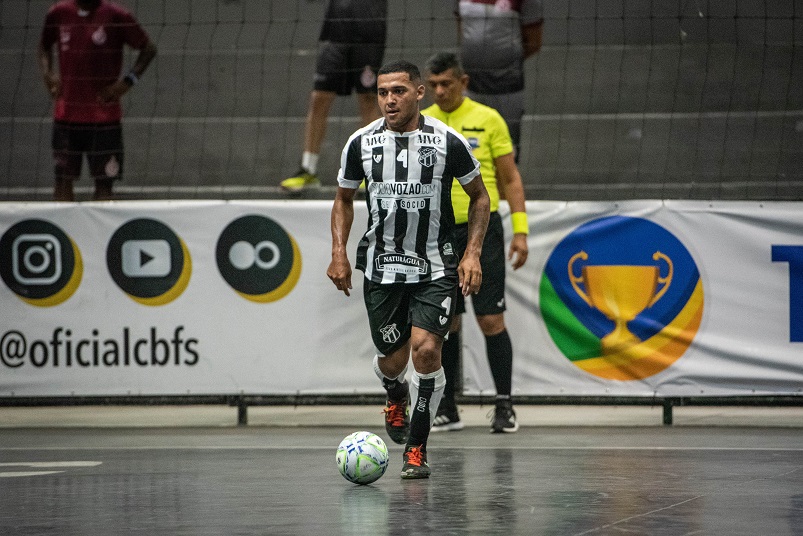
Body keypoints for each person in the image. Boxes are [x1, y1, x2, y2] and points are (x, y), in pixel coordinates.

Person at [328, 60, 490, 479]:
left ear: (419, 93)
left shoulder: (448, 142)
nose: (389, 100)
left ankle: (416, 449)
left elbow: (480, 198)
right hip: (381, 268)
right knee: (392, 361)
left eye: (398, 91)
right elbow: (343, 200)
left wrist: (471, 253)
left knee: (427, 351)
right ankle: (392, 391)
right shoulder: (359, 144)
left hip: (436, 265)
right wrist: (339, 253)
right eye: (383, 92)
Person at [422, 52, 529, 433]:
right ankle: (447, 406)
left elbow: (510, 178)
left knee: (490, 318)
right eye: (432, 85)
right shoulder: (423, 123)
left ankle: (504, 404)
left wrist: (521, 229)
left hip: (483, 230)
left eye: (446, 83)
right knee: (445, 321)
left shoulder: (489, 119)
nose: (439, 91)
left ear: (462, 82)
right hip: (438, 232)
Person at [38, 0, 157, 201]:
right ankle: (65, 229)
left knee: (104, 184)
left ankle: (100, 232)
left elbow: (149, 49)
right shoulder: (58, 13)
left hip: (104, 121)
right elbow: (43, 45)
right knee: (62, 180)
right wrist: (47, 74)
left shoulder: (117, 15)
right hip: (66, 118)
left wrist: (126, 83)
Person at [281, 0, 387, 192]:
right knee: (319, 97)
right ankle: (308, 170)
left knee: (368, 98)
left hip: (369, 32)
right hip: (335, 32)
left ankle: (371, 172)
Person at [456, 0, 544, 160]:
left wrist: (503, 63)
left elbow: (534, 42)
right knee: (471, 151)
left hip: (508, 88)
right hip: (472, 86)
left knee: (506, 151)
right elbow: (463, 33)